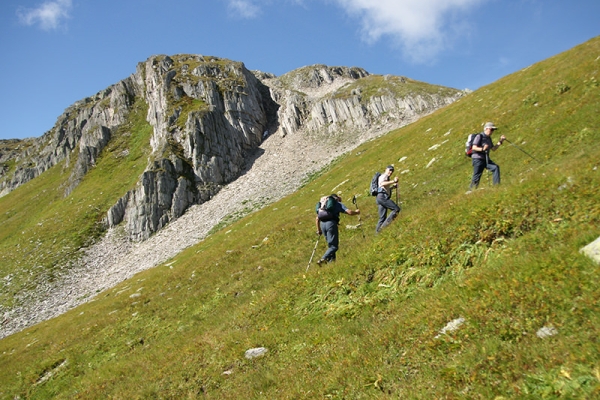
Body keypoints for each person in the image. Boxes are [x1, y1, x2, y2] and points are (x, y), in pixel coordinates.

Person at [315, 194, 360, 264]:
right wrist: (357, 212)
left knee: (330, 245)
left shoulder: (323, 206)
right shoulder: (337, 204)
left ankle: (331, 262)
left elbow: (317, 218)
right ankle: (323, 259)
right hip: (331, 224)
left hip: (322, 224)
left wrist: (319, 230)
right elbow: (349, 212)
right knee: (334, 246)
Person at [469, 122, 507, 191]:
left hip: (485, 159)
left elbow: (493, 149)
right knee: (476, 177)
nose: (492, 131)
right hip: (478, 159)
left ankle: (497, 187)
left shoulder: (488, 138)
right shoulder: (479, 136)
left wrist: (501, 141)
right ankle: (471, 191)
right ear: (486, 129)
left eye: (493, 130)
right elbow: (474, 147)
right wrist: (483, 149)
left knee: (495, 167)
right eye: (491, 129)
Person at [376, 165, 401, 233]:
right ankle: (383, 228)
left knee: (382, 217)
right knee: (396, 209)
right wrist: (393, 181)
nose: (390, 172)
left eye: (392, 171)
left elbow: (384, 188)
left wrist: (393, 187)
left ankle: (377, 234)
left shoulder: (384, 177)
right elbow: (382, 183)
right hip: (383, 196)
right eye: (389, 170)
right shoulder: (384, 176)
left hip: (379, 197)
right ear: (386, 169)